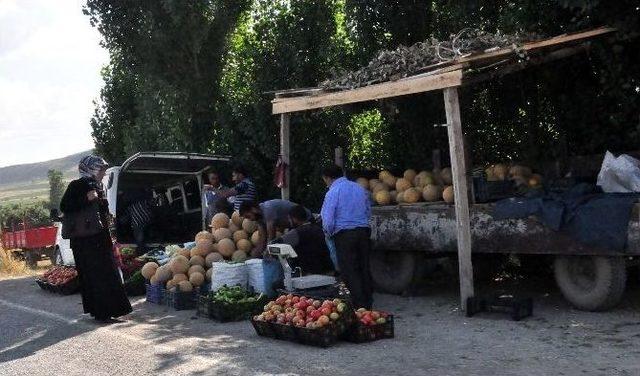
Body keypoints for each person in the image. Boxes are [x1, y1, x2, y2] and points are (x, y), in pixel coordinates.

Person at [60, 155, 132, 322]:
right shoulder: (76, 185)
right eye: (101, 170)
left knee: (107, 273)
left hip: (99, 238)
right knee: (95, 276)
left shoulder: (97, 185)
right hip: (85, 242)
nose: (103, 173)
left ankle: (113, 310)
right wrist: (86, 199)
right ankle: (102, 312)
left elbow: (101, 213)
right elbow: (65, 206)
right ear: (90, 170)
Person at [320, 165, 373, 309]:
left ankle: (359, 306)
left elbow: (328, 219)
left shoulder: (333, 192)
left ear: (327, 178)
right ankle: (368, 304)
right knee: (364, 267)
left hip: (345, 235)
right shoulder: (359, 188)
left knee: (350, 270)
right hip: (363, 232)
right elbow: (368, 210)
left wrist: (328, 233)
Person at [277, 205, 334, 275]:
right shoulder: (319, 229)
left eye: (289, 219)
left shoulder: (297, 233)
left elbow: (277, 243)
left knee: (277, 284)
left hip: (307, 273)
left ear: (294, 219)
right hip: (327, 270)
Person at [239, 199, 312, 241]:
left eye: (248, 216)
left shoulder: (268, 209)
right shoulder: (259, 218)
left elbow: (271, 236)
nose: (250, 219)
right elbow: (262, 238)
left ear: (253, 209)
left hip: (305, 220)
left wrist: (268, 252)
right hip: (293, 226)